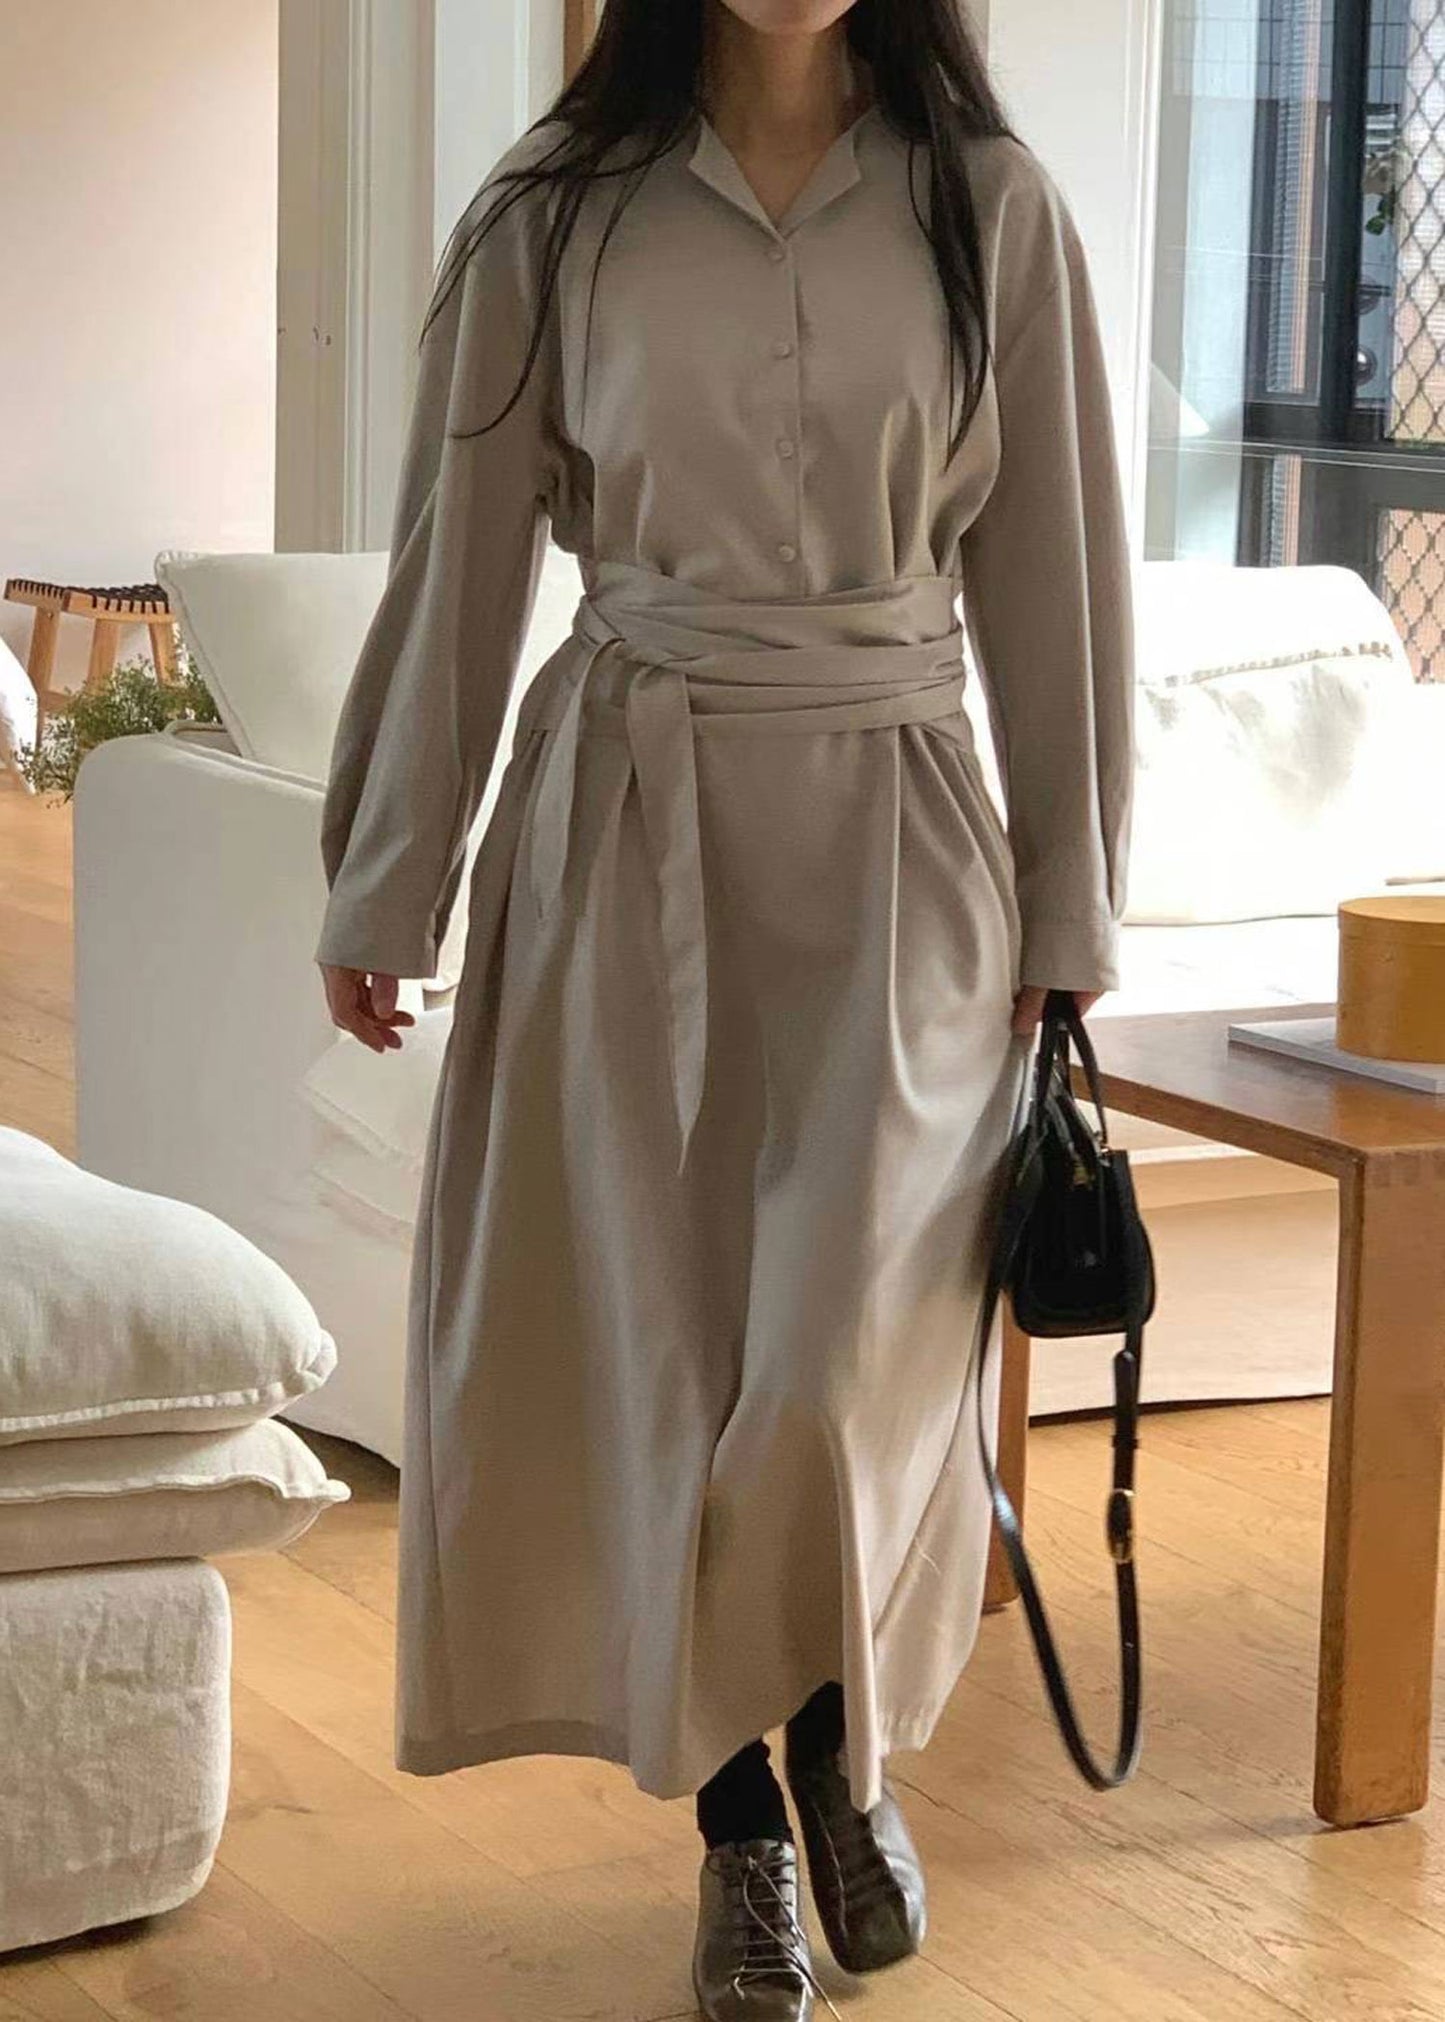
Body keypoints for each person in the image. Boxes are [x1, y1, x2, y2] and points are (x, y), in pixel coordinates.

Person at [314, 0, 1133, 2014]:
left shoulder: (991, 207)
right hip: (625, 822)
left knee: (839, 1363)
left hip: (900, 843)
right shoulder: (552, 211)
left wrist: (1071, 894)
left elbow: (1054, 576)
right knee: (667, 1357)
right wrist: (389, 876)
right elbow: (457, 559)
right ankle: (746, 1825)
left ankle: (842, 1737)